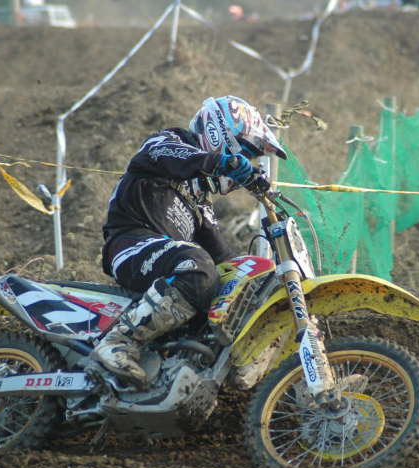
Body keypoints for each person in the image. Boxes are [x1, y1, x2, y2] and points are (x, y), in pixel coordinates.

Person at [91, 96, 286, 388]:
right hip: (130, 247)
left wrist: (259, 280)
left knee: (238, 277)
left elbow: (224, 259)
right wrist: (224, 162)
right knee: (198, 264)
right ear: (220, 135)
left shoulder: (200, 201)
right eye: (246, 153)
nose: (248, 164)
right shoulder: (165, 143)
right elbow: (179, 158)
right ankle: (119, 341)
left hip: (167, 261)